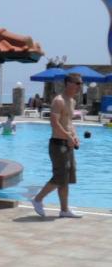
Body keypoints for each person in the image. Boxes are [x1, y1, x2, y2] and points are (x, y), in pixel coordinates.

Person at [31, 72, 83, 218]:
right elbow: (54, 123)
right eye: (78, 83)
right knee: (60, 176)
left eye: (81, 83)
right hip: (58, 144)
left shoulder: (72, 101)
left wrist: (75, 136)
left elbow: (69, 123)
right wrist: (68, 137)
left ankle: (64, 210)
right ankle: (37, 199)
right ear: (68, 83)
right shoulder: (58, 100)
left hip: (68, 143)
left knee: (66, 178)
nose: (80, 86)